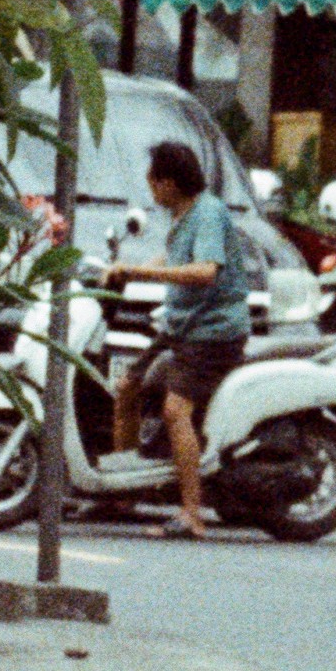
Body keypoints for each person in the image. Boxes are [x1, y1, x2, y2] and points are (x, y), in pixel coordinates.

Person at [101, 138, 247, 539]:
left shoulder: (209, 213)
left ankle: (191, 514)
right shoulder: (182, 215)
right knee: (127, 387)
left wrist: (143, 275)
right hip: (181, 326)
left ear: (169, 183)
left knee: (174, 411)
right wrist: (126, 269)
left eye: (153, 181)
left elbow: (204, 272)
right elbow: (173, 257)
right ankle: (122, 494)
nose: (149, 188)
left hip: (211, 332)